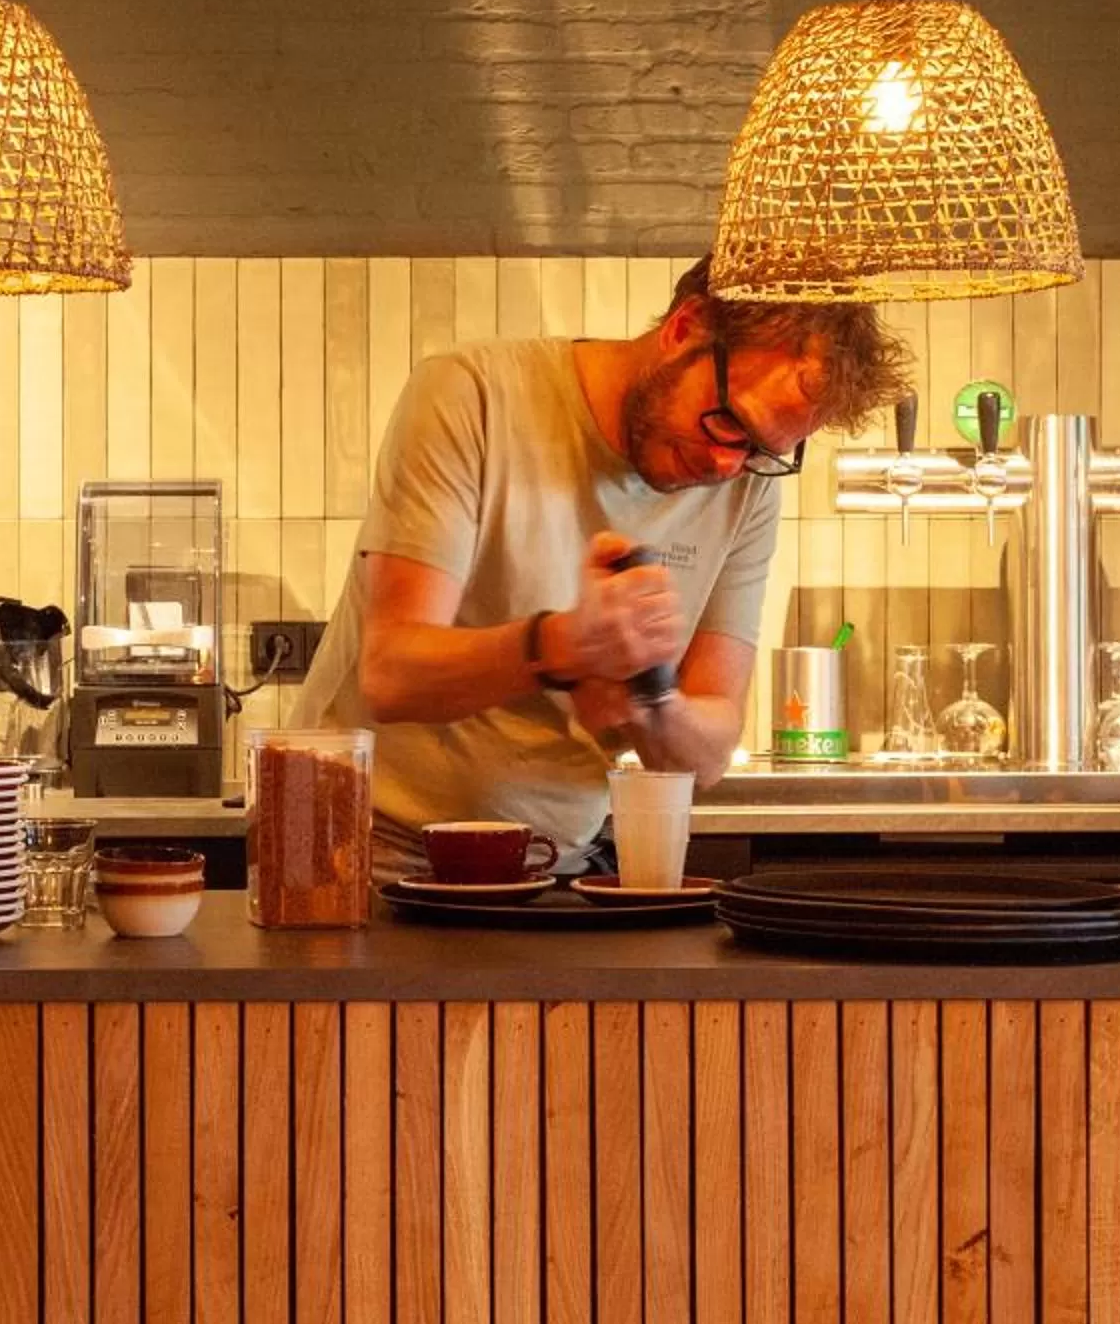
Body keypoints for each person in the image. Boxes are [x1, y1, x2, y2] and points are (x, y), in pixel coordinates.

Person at [288, 255, 907, 872]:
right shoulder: (472, 394)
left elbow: (708, 756)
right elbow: (392, 674)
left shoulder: (748, 489)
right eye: (730, 424)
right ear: (684, 328)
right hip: (362, 851)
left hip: (553, 864)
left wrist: (649, 696)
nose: (726, 466)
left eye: (761, 452)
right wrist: (562, 646)